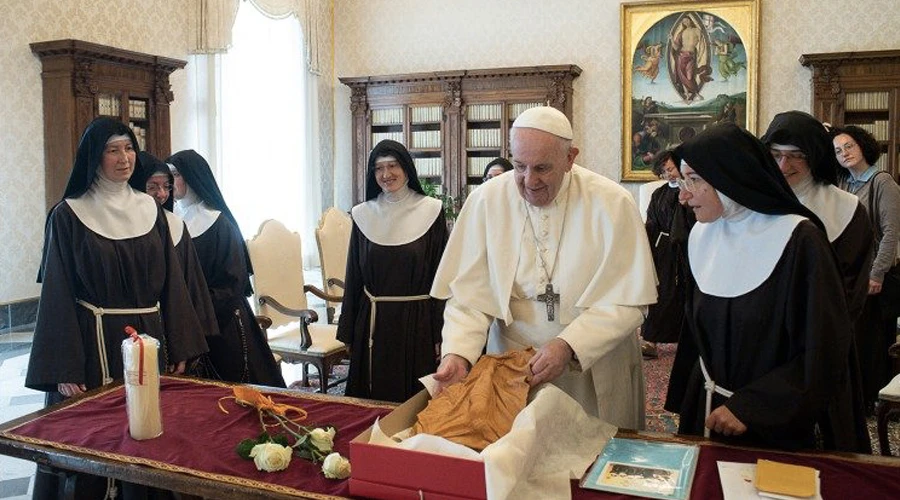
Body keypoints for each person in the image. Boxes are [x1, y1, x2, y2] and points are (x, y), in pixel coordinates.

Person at [430, 106, 658, 429]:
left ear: (570, 158)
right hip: (513, 368)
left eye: (542, 168)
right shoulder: (486, 201)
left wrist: (569, 345)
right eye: (519, 166)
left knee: (590, 467)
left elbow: (628, 300)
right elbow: (469, 295)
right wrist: (459, 352)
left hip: (591, 368)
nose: (528, 181)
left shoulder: (612, 203)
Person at [26, 117, 210, 498]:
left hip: (148, 342)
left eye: (129, 148)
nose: (124, 158)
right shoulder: (69, 215)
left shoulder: (151, 210)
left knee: (150, 437)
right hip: (95, 344)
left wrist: (181, 343)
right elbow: (57, 294)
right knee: (98, 439)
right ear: (94, 157)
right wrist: (64, 367)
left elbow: (172, 284)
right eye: (113, 149)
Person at [667, 123, 869, 453]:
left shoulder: (800, 241)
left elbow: (826, 347)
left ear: (730, 179)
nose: (683, 195)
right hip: (707, 407)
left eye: (694, 180)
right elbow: (696, 336)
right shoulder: (703, 236)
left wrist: (751, 407)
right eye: (683, 180)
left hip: (776, 423)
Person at [337, 139, 449, 402]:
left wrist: (441, 330)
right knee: (371, 401)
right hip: (373, 322)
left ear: (406, 168)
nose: (386, 175)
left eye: (392, 166)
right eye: (378, 168)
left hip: (418, 322)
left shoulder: (432, 210)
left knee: (414, 405)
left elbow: (442, 276)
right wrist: (349, 329)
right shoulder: (363, 214)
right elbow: (353, 276)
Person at [168, 149, 285, 388]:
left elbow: (233, 283)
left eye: (176, 175)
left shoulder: (219, 223)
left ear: (192, 176)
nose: (171, 182)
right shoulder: (169, 220)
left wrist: (198, 316)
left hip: (222, 322)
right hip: (184, 323)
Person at [761, 112, 874, 321]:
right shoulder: (754, 204)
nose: (783, 165)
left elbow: (851, 291)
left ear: (814, 156)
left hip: (821, 331)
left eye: (796, 155)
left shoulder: (848, 209)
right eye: (775, 154)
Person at [129, 151, 221, 375]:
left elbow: (187, 290)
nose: (161, 194)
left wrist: (188, 343)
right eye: (152, 187)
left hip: (170, 326)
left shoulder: (176, 224)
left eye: (166, 186)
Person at [832, 125, 900, 410]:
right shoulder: (845, 184)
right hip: (853, 276)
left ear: (862, 146)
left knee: (873, 341)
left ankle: (874, 398)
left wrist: (876, 273)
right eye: (837, 150)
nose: (844, 153)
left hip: (878, 277)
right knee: (856, 339)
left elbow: (891, 233)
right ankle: (858, 397)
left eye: (848, 146)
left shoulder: (882, 182)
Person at [640, 149, 696, 360]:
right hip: (663, 248)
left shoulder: (692, 190)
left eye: (671, 168)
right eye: (663, 171)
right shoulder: (659, 194)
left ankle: (688, 340)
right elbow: (651, 222)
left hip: (688, 247)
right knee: (660, 292)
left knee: (686, 293)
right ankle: (651, 340)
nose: (668, 174)